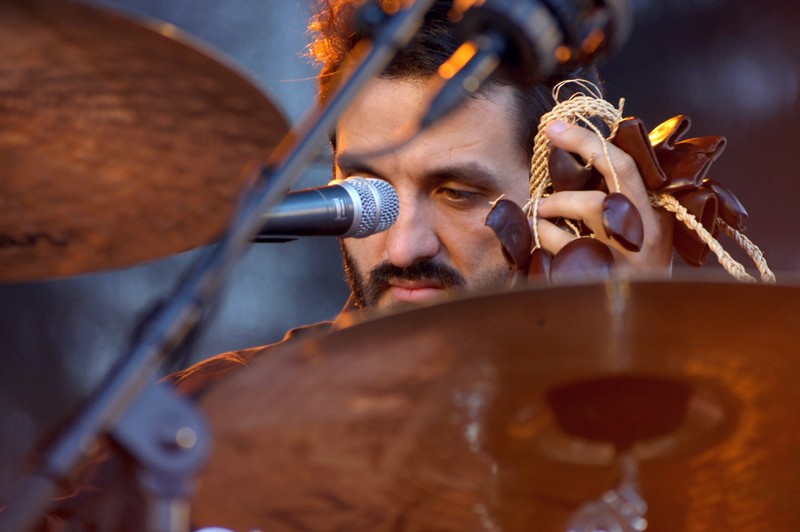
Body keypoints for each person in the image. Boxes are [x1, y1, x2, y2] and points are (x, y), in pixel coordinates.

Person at [42, 0, 672, 529]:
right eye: (369, 192)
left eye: (457, 193)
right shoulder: (199, 422)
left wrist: (635, 350)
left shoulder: (664, 428)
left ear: (560, 194)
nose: (403, 248)